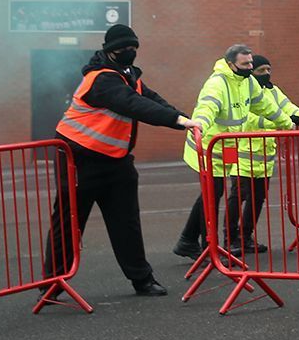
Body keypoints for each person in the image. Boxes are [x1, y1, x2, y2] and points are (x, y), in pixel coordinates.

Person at [46, 24, 191, 296]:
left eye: (134, 47)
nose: (130, 52)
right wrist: (177, 121)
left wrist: (183, 118)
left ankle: (142, 279)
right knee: (69, 221)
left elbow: (152, 100)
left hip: (116, 160)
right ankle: (52, 284)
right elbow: (132, 104)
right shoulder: (101, 79)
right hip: (79, 159)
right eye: (124, 48)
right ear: (110, 51)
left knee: (127, 222)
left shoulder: (130, 76)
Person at [175, 44, 299, 260]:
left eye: (251, 63)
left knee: (212, 194)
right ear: (231, 64)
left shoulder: (247, 81)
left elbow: (265, 106)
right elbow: (207, 107)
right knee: (213, 195)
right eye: (245, 64)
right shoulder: (217, 83)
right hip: (206, 146)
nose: (250, 67)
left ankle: (187, 241)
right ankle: (207, 249)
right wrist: (199, 123)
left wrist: (287, 122)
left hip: (225, 147)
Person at [225, 55, 299, 256]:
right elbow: (250, 119)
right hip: (241, 155)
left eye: (269, 69)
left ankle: (246, 237)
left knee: (258, 198)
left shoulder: (272, 90)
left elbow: (288, 107)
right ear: (252, 72)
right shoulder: (243, 91)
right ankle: (230, 239)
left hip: (264, 155)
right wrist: (283, 122)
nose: (267, 73)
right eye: (262, 70)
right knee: (238, 196)